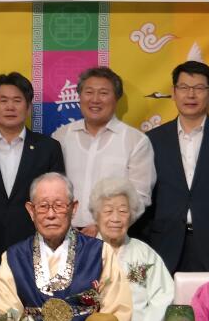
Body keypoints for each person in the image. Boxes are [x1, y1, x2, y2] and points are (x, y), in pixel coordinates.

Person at [0, 173, 132, 321]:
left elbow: (116, 314)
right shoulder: (14, 257)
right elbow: (2, 314)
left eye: (59, 205)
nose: (51, 214)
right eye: (43, 206)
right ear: (31, 211)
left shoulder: (99, 253)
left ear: (73, 208)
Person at [139, 60, 209, 274]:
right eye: (184, 87)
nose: (191, 95)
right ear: (173, 92)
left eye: (199, 88)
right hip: (164, 244)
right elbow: (146, 196)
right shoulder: (153, 139)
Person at [0, 72, 65, 257]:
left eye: (17, 100)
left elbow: (57, 199)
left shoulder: (48, 148)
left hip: (36, 245)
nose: (10, 107)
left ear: (28, 107)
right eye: (3, 100)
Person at [52, 66, 156, 236]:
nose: (95, 99)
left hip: (112, 236)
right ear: (79, 96)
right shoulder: (61, 137)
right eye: (89, 92)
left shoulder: (136, 141)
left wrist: (101, 227)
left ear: (116, 98)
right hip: (64, 235)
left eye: (103, 93)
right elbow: (50, 188)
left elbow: (139, 197)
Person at [91, 177, 174, 321]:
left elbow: (164, 296)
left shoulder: (145, 253)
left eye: (123, 211)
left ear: (131, 216)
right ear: (96, 215)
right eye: (108, 211)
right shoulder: (85, 254)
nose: (115, 218)